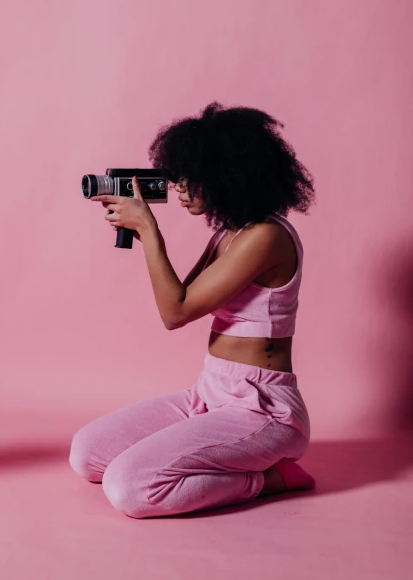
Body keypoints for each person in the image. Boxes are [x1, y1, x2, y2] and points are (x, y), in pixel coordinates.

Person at [69, 101, 317, 518]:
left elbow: (176, 312)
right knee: (87, 454)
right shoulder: (228, 234)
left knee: (128, 487)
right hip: (209, 393)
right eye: (177, 176)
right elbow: (184, 294)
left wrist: (148, 230)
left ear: (227, 175)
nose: (179, 188)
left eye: (190, 178)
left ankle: (271, 478)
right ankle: (209, 456)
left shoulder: (267, 236)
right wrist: (139, 228)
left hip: (262, 408)